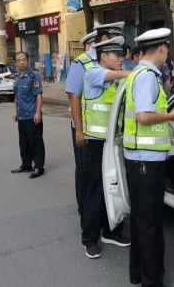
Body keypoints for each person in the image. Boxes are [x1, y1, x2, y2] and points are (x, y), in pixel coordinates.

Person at [123, 28, 174, 287]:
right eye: (167, 49)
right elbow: (144, 116)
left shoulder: (138, 73)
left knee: (141, 221)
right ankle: (152, 282)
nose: (167, 54)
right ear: (160, 48)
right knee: (150, 225)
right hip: (146, 161)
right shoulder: (147, 76)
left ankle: (138, 274)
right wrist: (171, 117)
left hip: (140, 158)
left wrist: (166, 134)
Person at [66, 22, 124, 214]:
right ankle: (85, 209)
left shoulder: (115, 61)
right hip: (86, 129)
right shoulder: (82, 63)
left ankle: (105, 214)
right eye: (115, 39)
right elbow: (74, 95)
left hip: (108, 132)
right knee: (86, 171)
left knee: (107, 175)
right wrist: (79, 130)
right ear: (106, 39)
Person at [80, 36, 131, 259]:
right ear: (103, 56)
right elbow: (119, 74)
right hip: (95, 143)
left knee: (113, 187)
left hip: (114, 143)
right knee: (94, 191)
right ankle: (90, 238)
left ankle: (111, 230)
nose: (122, 59)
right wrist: (133, 73)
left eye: (122, 55)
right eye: (117, 55)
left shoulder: (118, 79)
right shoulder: (93, 73)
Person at [11, 51, 45, 179]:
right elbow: (17, 95)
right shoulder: (16, 76)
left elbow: (39, 95)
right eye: (19, 60)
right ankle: (26, 165)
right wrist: (16, 111)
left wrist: (38, 112)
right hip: (21, 115)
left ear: (27, 60)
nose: (22, 62)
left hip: (32, 115)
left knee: (35, 142)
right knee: (23, 143)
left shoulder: (33, 76)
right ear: (15, 63)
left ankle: (39, 167)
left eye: (24, 59)